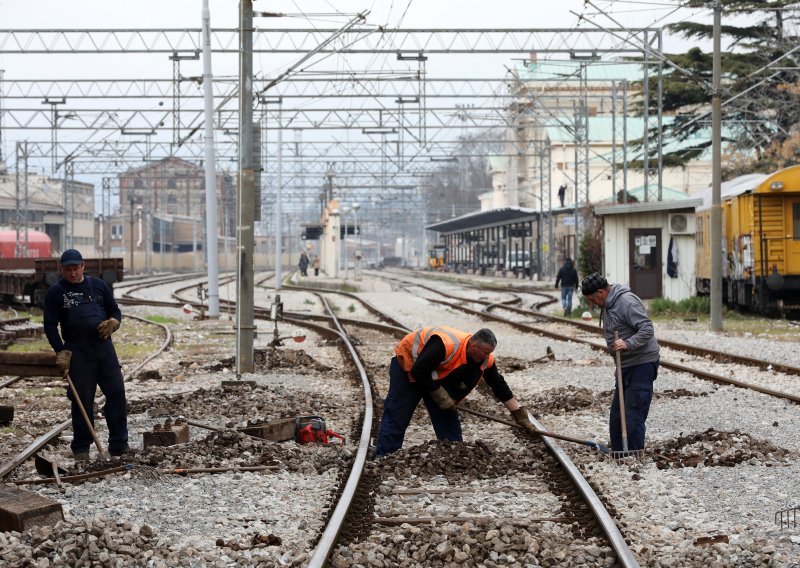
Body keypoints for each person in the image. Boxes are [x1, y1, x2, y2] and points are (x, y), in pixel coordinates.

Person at [374, 326, 538, 457]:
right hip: (409, 364)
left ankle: (454, 453)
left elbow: (499, 385)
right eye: (485, 352)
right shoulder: (446, 345)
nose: (487, 356)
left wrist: (519, 415)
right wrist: (439, 394)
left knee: (446, 409)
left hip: (432, 372)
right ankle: (386, 455)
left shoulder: (485, 359)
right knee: (398, 411)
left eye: (490, 353)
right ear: (474, 345)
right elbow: (419, 371)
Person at [43, 249, 130, 461]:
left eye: (76, 268)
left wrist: (114, 322)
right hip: (79, 353)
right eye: (68, 269)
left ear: (83, 266)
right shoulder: (55, 293)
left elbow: (115, 310)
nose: (73, 273)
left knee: (117, 393)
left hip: (104, 350)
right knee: (82, 400)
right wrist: (60, 350)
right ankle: (82, 447)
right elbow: (50, 326)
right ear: (61, 269)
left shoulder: (99, 286)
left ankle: (119, 444)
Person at [580, 273, 660, 453]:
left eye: (592, 299)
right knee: (617, 416)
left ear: (601, 292)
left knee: (633, 413)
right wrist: (619, 366)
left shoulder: (626, 302)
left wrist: (628, 343)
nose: (591, 304)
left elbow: (647, 328)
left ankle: (632, 454)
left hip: (642, 363)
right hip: (626, 365)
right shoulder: (608, 305)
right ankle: (618, 453)